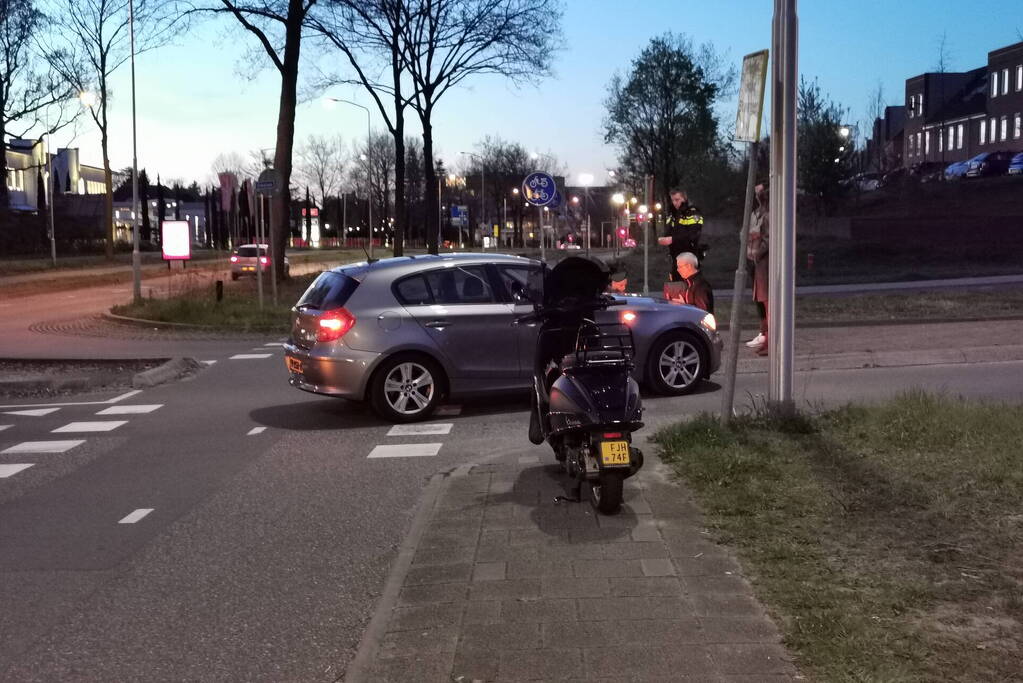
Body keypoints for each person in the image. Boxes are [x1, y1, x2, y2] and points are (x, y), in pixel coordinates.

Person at [657, 189, 704, 281]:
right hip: (675, 256)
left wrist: (672, 239)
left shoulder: (692, 212)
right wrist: (664, 239)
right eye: (673, 200)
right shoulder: (673, 214)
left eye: (677, 199)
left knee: (689, 285)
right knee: (676, 285)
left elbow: (693, 235)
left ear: (684, 198)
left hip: (688, 256)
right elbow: (670, 231)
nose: (674, 203)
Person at [746, 185, 769, 356]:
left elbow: (768, 238)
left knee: (767, 301)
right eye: (756, 193)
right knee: (759, 300)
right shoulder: (755, 213)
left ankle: (769, 338)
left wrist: (759, 248)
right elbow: (745, 233)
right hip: (753, 260)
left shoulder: (770, 214)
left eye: (760, 193)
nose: (758, 196)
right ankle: (764, 335)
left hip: (764, 262)